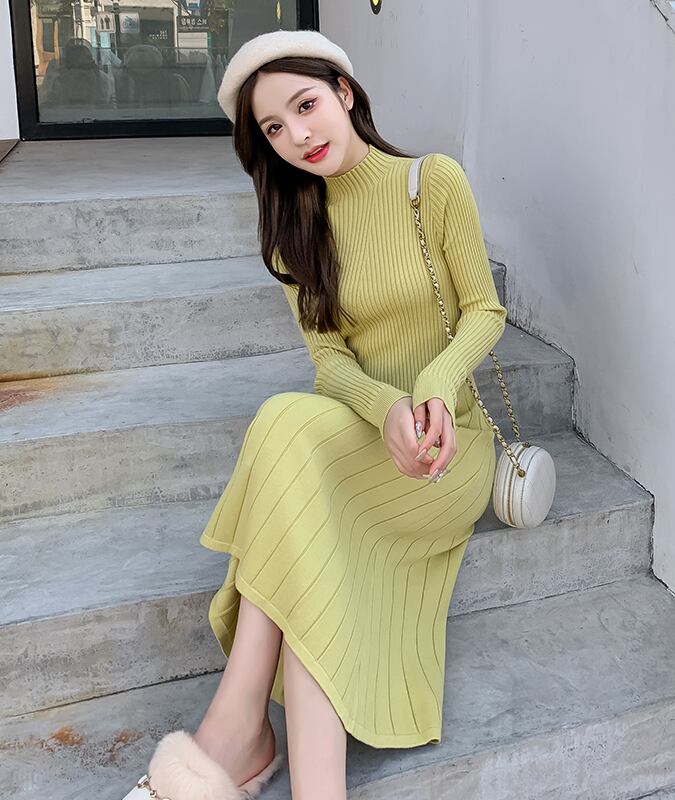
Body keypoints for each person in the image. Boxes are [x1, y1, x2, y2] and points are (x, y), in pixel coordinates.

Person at [122, 28, 507, 800]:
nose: (297, 136)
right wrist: (385, 406)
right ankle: (274, 759)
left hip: (447, 449)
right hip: (364, 434)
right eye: (274, 127)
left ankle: (233, 738)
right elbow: (330, 362)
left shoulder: (431, 183)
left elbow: (483, 310)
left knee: (298, 500)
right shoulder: (297, 226)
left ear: (344, 92)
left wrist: (432, 384)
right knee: (283, 426)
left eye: (305, 106)